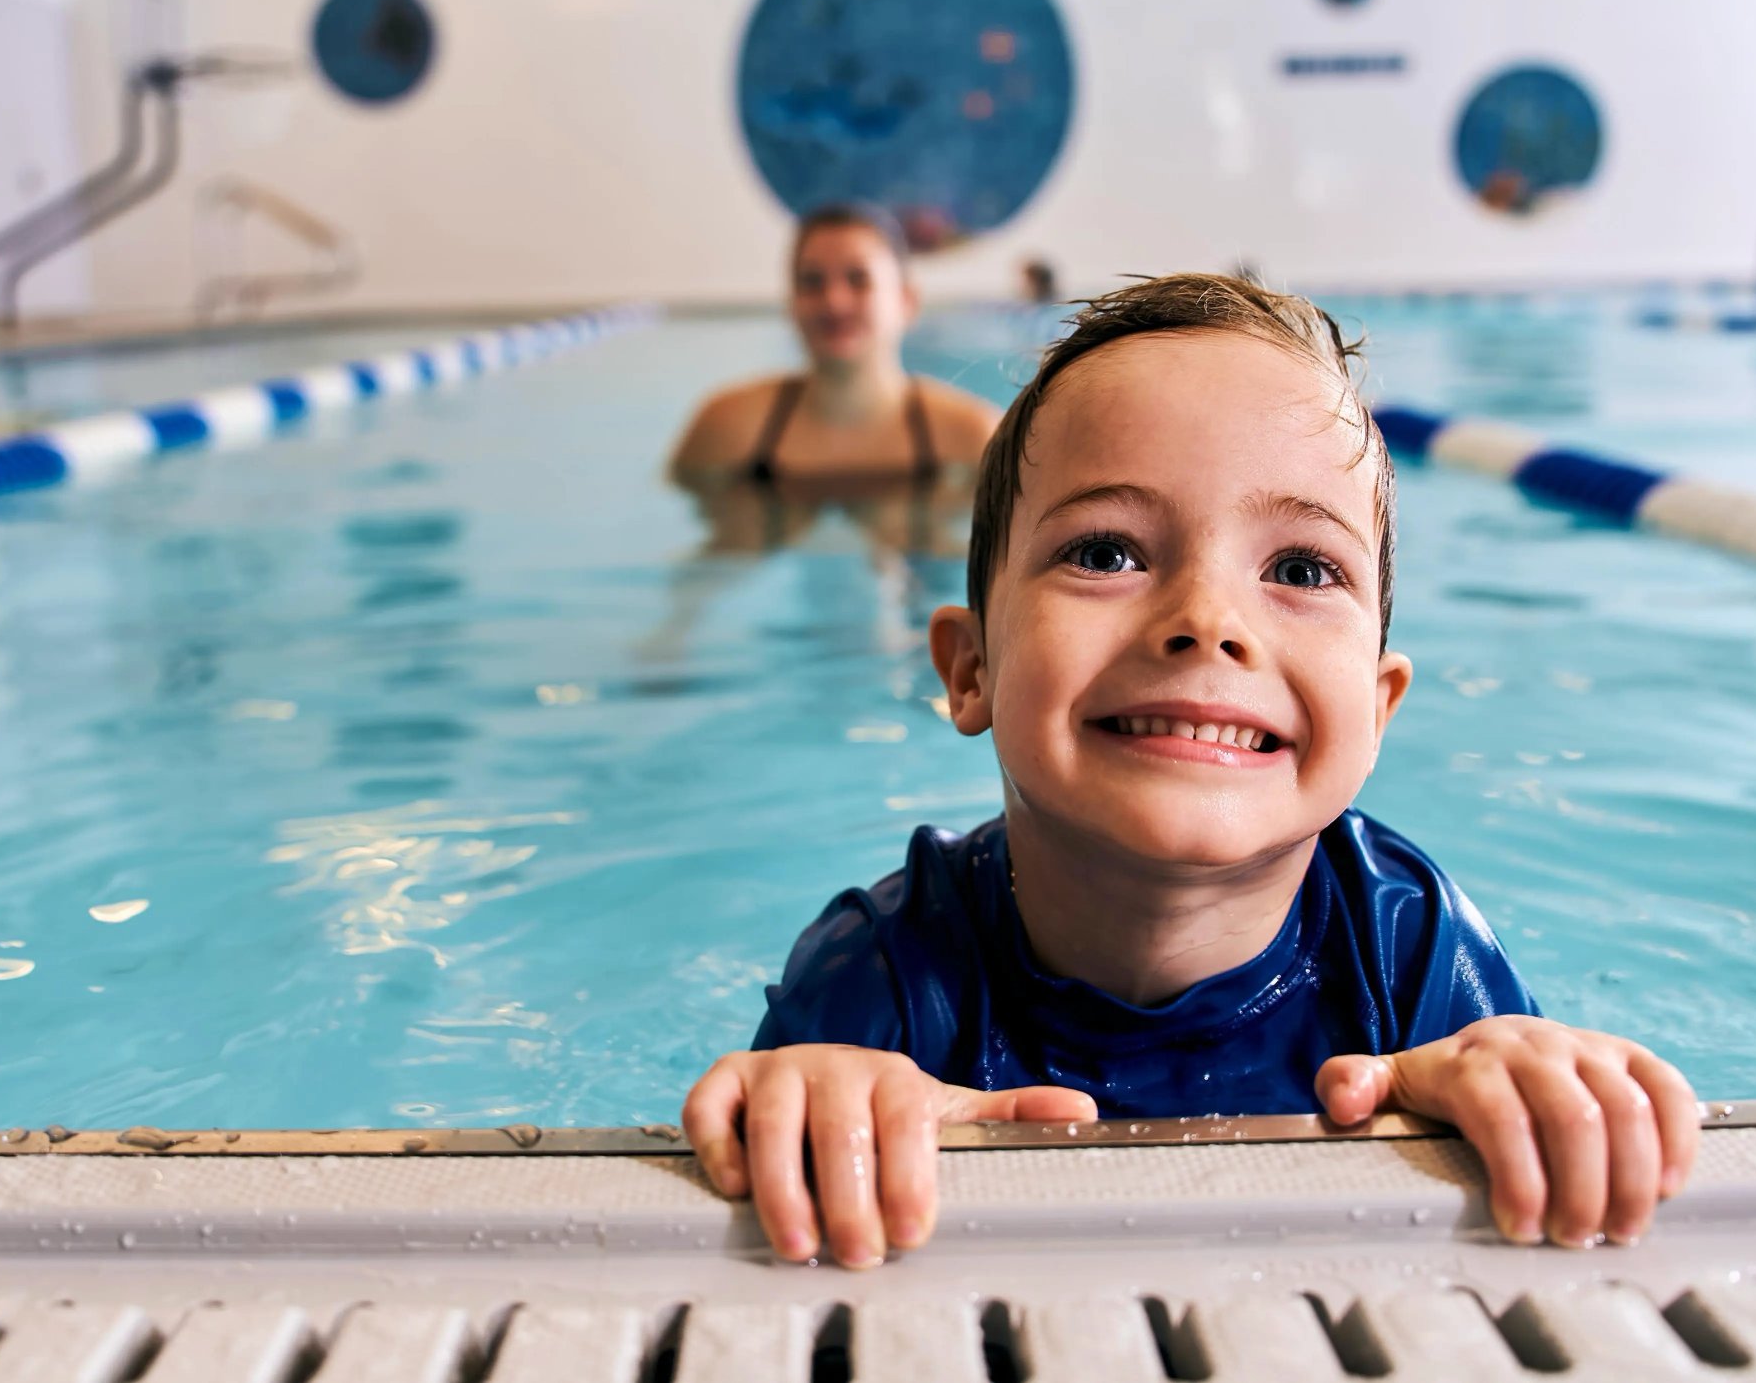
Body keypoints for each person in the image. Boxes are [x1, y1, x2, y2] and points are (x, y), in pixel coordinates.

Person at [683, 272, 1698, 1270]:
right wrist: (810, 1103)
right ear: (972, 667)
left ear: (1377, 709)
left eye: (1301, 569)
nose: (1206, 619)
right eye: (1108, 551)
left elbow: (1546, 1212)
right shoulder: (888, 976)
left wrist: (1539, 1079)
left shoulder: (1411, 949)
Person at [669, 203, 1001, 492]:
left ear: (906, 301)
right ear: (791, 304)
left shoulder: (973, 437)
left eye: (858, 279)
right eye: (812, 281)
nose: (834, 302)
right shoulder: (727, 429)